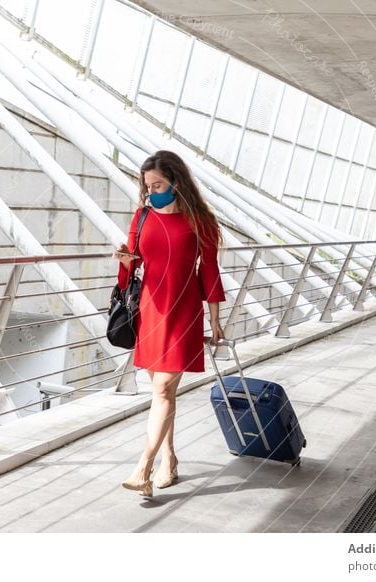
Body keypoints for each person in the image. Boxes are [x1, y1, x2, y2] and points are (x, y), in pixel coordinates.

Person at [113, 150, 225, 498]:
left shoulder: (200, 221)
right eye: (148, 187)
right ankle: (170, 460)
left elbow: (209, 271)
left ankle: (142, 468)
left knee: (161, 391)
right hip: (150, 311)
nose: (151, 192)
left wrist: (217, 320)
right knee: (165, 394)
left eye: (158, 184)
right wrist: (124, 259)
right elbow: (132, 266)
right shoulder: (142, 216)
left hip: (184, 312)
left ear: (176, 181)